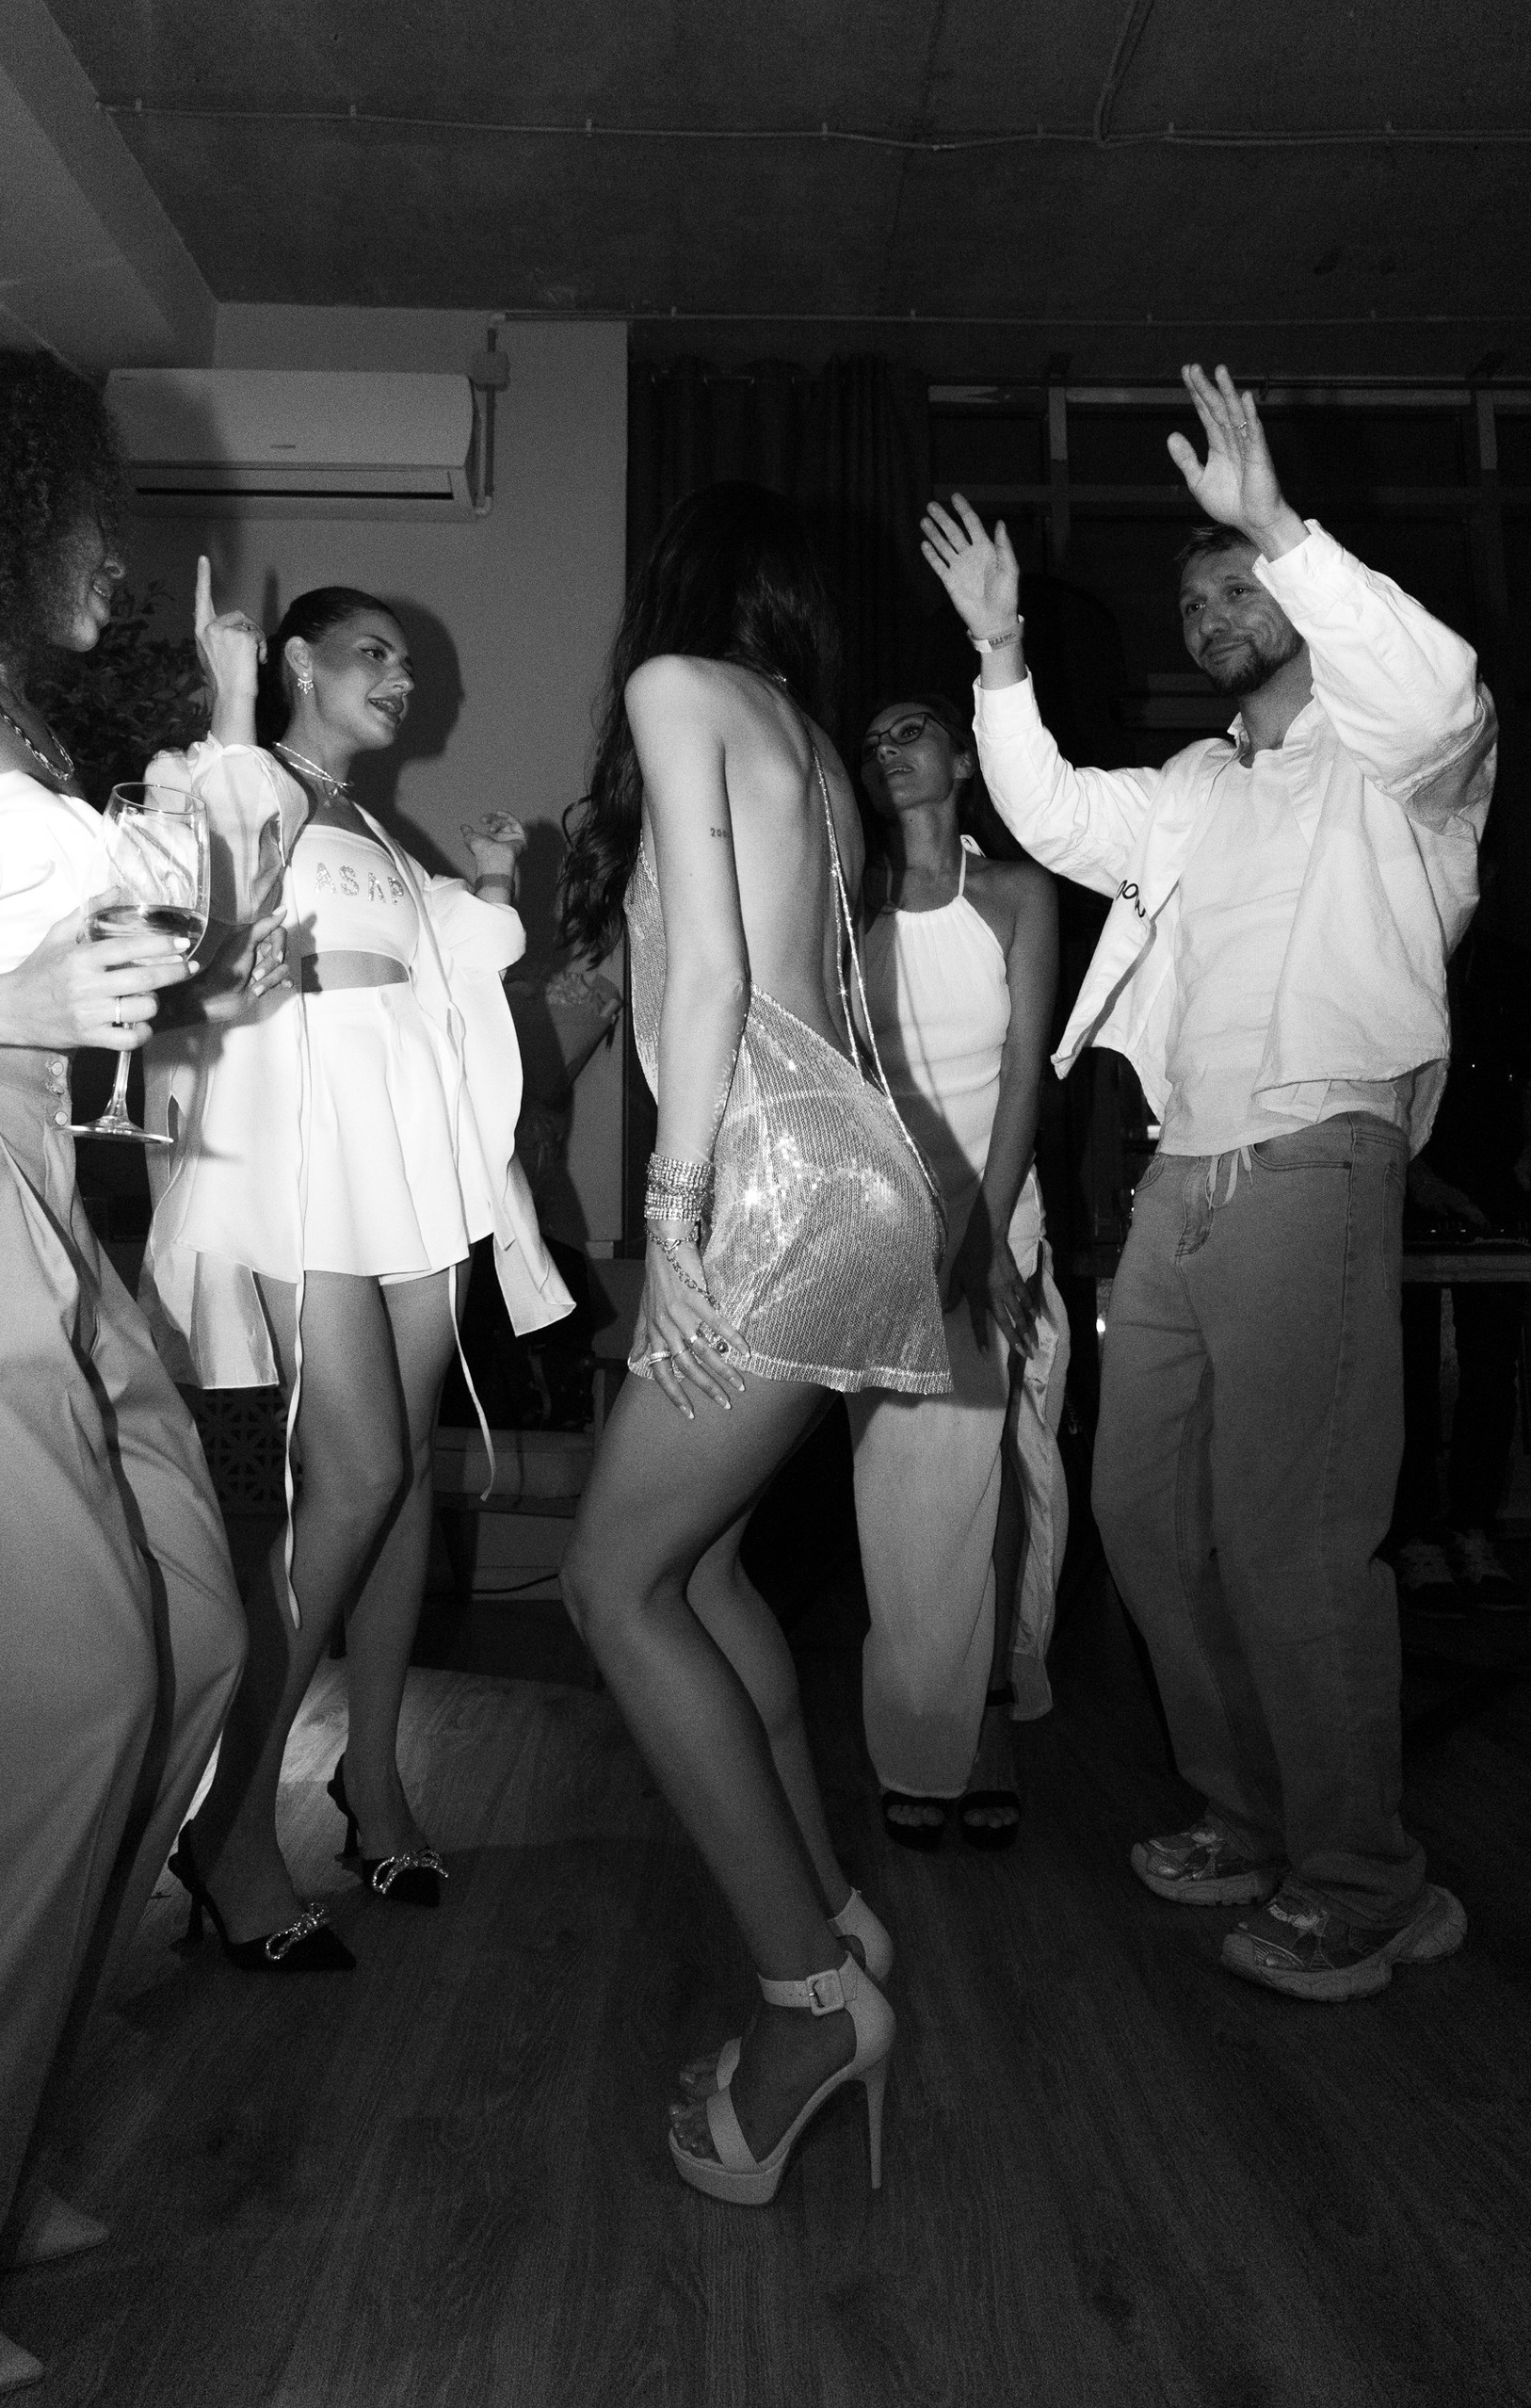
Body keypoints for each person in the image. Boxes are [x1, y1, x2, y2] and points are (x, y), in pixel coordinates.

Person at [922, 364, 1496, 2005]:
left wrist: (1278, 526)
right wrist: (1000, 652)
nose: (1211, 612)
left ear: (1302, 592)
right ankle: (1250, 1815)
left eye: (1237, 586)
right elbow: (1045, 812)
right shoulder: (1191, 786)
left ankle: (1367, 1879)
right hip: (1181, 1179)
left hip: (1316, 1149)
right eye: (1196, 600)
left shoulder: (1400, 759)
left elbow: (1436, 689)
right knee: (1145, 1515)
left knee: (1295, 1537)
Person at [0, 333, 249, 2403]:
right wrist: (10, 998)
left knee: (193, 1638)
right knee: (51, 1686)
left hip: (28, 1189)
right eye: (89, 506)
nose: (114, 543)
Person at [556, 483, 949, 2206]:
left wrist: (670, 1215)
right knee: (699, 1572)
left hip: (774, 1170)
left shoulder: (675, 688)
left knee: (610, 1586)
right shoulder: (819, 750)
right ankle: (834, 1920)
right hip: (855, 1163)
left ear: (679, 588)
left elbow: (710, 980)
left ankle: (809, 2005)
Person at [143, 566, 572, 1971]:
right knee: (360, 1469)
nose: (401, 677)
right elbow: (207, 896)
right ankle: (227, 1819)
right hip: (300, 1141)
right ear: (296, 663)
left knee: (400, 1485)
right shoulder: (235, 773)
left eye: (407, 660)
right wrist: (225, 702)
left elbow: (446, 966)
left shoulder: (379, 830)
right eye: (372, 653)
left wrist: (491, 884)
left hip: (410, 1145)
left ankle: (373, 1780)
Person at [849, 690, 1067, 1850]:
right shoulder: (850, 906)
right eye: (874, 740)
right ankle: (913, 1732)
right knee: (902, 1500)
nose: (891, 750)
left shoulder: (1019, 894)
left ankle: (987, 1726)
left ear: (964, 759)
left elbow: (1027, 1073)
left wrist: (984, 1242)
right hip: (887, 1231)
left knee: (991, 1479)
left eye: (913, 731)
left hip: (997, 1214)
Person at [1394, 897, 1531, 1611]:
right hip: (1404, 1192)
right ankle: (1413, 1534)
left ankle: (1473, 1528)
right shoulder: (1390, 955)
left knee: (1491, 1370)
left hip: (1496, 1190)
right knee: (1404, 1372)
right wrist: (1416, 1175)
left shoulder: (1510, 968)